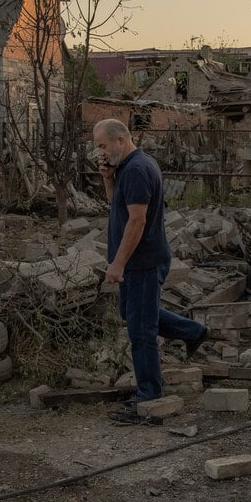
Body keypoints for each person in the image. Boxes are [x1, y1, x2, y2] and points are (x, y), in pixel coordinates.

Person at [92, 119, 209, 425]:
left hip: (142, 262)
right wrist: (107, 178)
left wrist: (117, 263)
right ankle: (193, 331)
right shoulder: (126, 170)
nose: (100, 152)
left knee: (141, 332)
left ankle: (149, 397)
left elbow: (137, 221)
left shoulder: (137, 170)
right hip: (137, 262)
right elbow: (116, 205)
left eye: (103, 146)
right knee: (134, 315)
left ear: (120, 140)